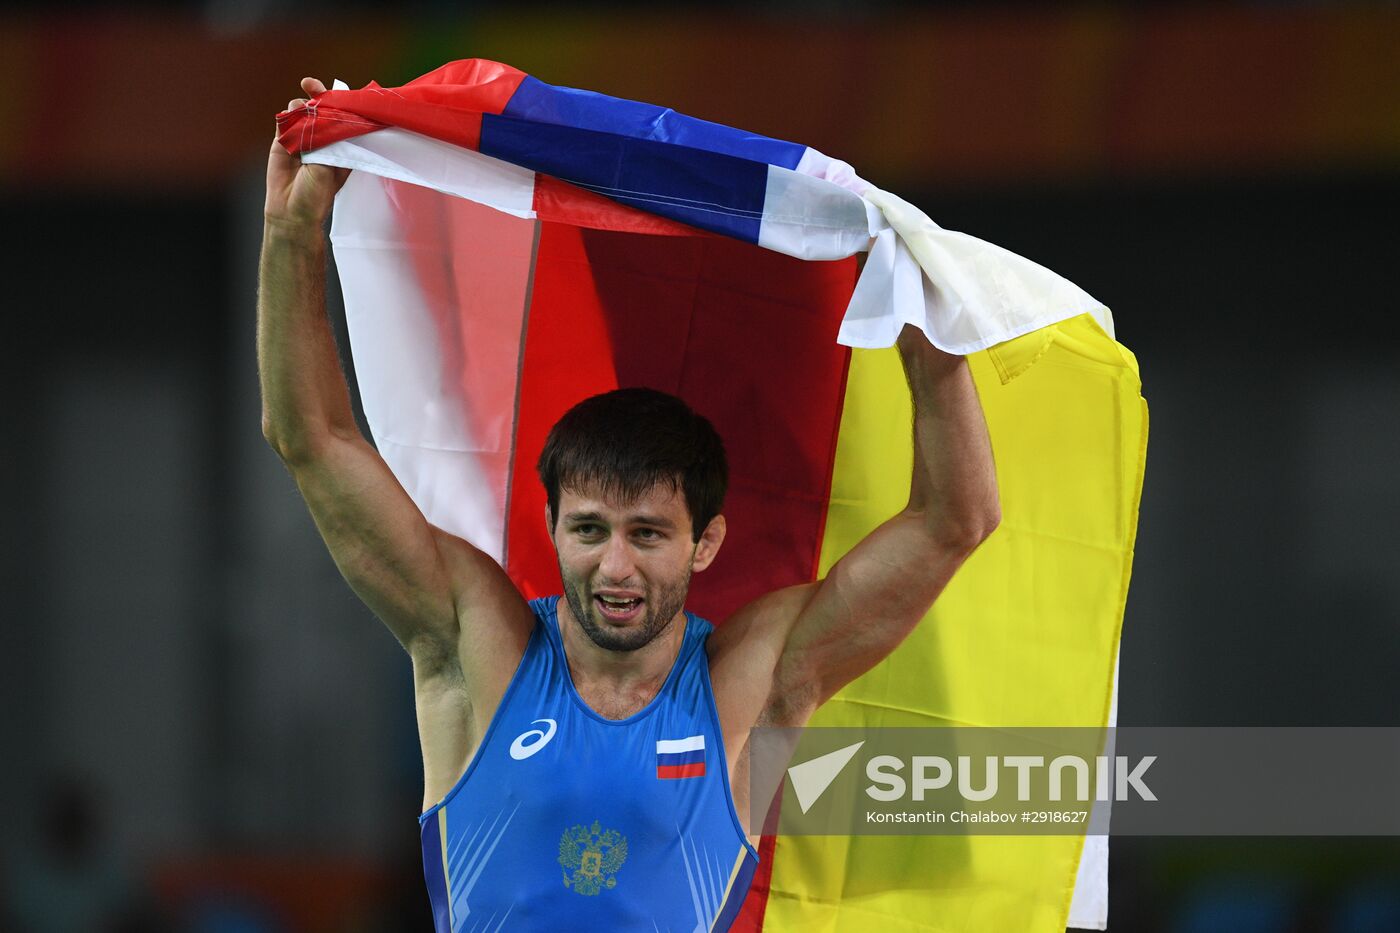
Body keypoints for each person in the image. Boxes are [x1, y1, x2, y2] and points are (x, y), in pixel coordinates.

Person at [259, 77, 1000, 932]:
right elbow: (310, 436)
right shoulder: (474, 643)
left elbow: (956, 521)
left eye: (648, 533)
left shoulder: (751, 682)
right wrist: (292, 232)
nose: (615, 566)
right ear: (552, 529)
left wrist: (922, 323)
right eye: (590, 530)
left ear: (706, 542)